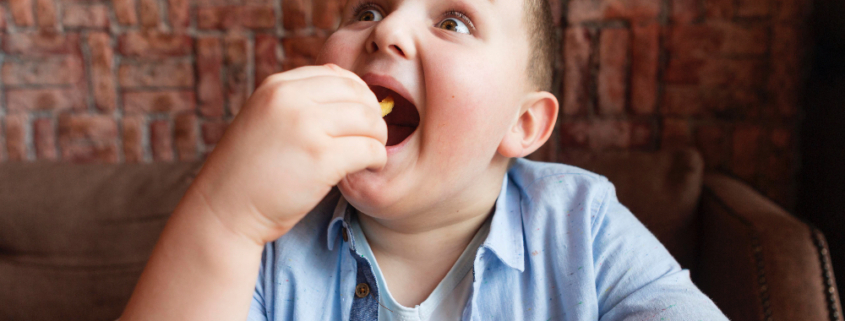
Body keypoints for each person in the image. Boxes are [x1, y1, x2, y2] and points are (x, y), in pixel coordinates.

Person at [119, 0, 730, 319]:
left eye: (455, 21)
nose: (386, 32)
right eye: (367, 10)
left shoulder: (583, 225)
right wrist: (227, 217)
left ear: (523, 124)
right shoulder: (269, 239)